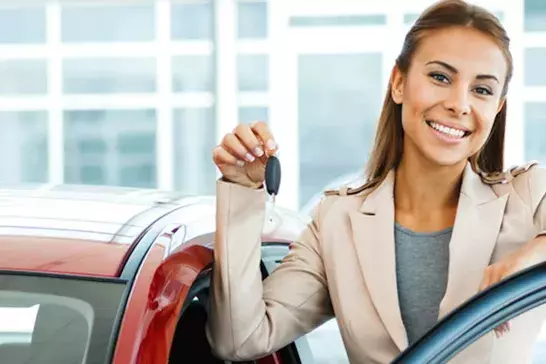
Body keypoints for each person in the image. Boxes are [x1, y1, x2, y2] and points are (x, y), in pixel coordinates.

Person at [207, 0, 546, 362]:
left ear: (497, 107)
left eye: (481, 90)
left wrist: (532, 257)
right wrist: (243, 190)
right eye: (440, 77)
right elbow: (239, 339)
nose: (459, 104)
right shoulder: (336, 222)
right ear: (398, 83)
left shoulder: (527, 197)